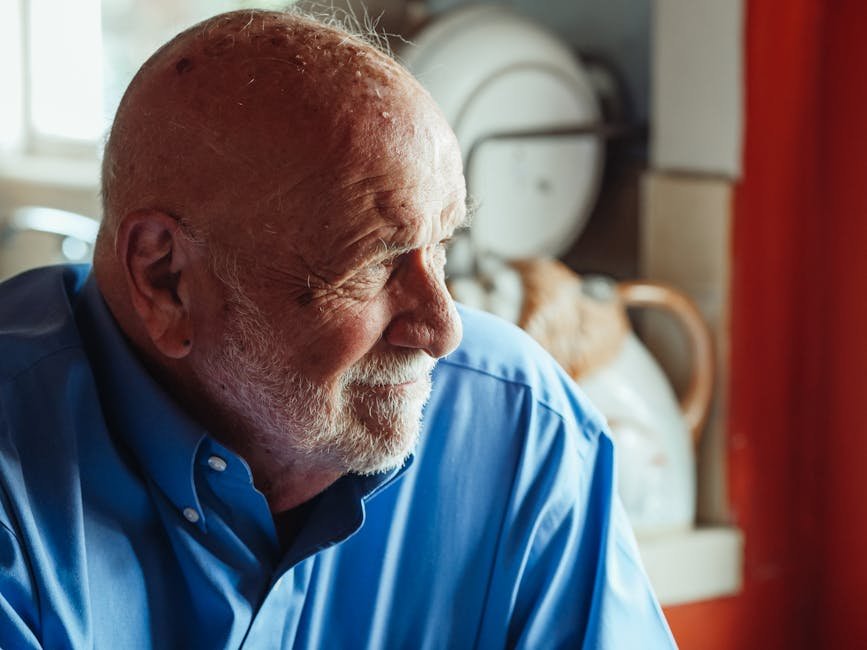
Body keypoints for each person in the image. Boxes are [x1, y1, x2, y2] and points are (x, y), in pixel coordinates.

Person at [0, 9, 674, 649]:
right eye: (374, 261)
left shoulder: (519, 426)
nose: (442, 330)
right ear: (165, 277)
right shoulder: (18, 475)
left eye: (441, 244)